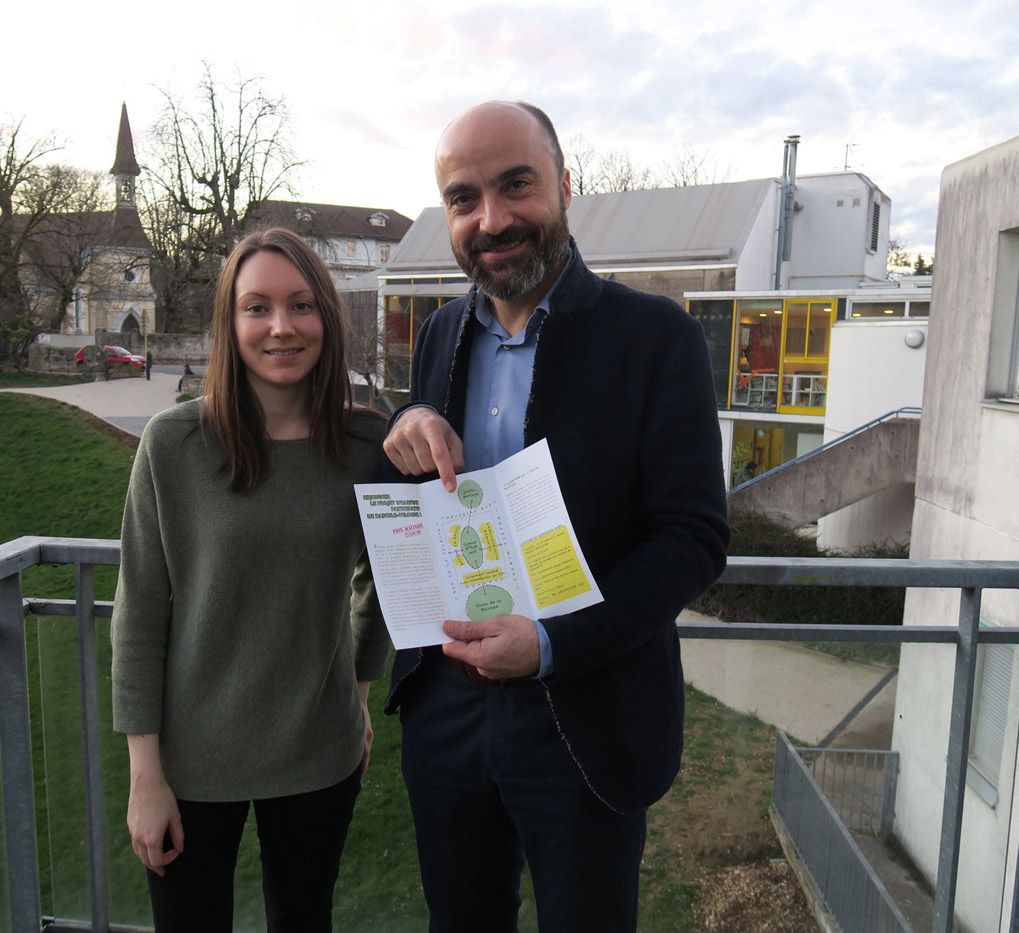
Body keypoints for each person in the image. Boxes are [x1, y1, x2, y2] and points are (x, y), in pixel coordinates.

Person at [379, 101, 729, 931]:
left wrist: (549, 643)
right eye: (464, 199)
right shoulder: (439, 335)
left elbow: (693, 538)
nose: (492, 220)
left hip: (585, 708)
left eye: (516, 186)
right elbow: (416, 481)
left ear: (566, 187)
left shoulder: (656, 337)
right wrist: (401, 425)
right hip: (449, 706)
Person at [111, 227, 389, 931]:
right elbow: (140, 611)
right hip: (191, 762)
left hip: (319, 753)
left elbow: (382, 579)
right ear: (229, 323)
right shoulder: (173, 445)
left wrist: (356, 689)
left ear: (325, 316)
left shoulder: (364, 446)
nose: (281, 327)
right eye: (256, 307)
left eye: (300, 305)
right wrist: (146, 772)